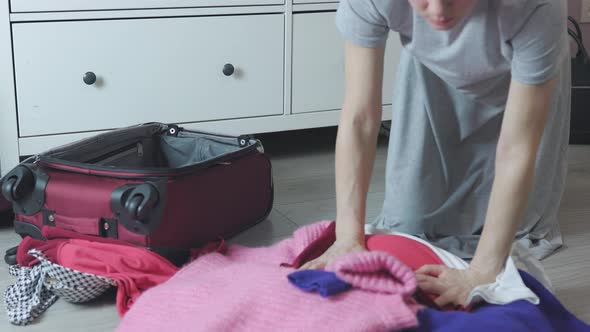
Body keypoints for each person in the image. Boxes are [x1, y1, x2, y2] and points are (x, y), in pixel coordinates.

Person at [301, 0, 571, 308]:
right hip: (432, 69)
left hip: (519, 77)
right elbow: (360, 118)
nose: (439, 10)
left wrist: (481, 271)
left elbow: (516, 148)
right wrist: (347, 237)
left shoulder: (537, 7)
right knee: (410, 221)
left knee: (518, 230)